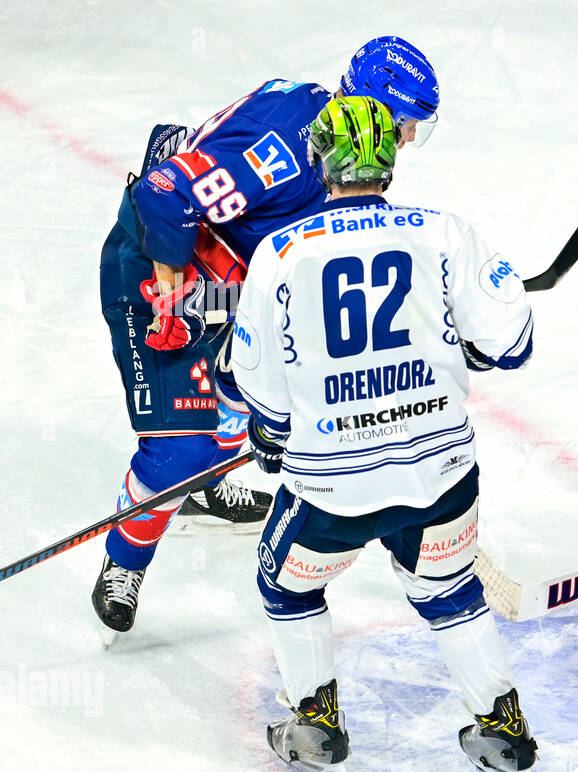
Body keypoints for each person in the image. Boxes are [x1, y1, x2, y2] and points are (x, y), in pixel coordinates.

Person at [231, 96, 539, 772]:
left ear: (322, 161)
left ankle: (315, 718)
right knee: (448, 586)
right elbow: (512, 343)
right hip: (442, 473)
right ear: (389, 159)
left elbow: (264, 391)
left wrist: (273, 435)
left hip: (337, 488)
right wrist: (468, 345)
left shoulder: (279, 253)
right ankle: (503, 725)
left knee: (284, 582)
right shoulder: (444, 233)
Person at [93, 36, 441, 637]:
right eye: (407, 124)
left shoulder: (338, 144)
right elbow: (163, 195)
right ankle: (125, 561)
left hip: (231, 292)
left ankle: (205, 485)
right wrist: (173, 292)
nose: (409, 140)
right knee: (181, 453)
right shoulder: (282, 148)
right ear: (377, 109)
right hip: (155, 278)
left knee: (248, 397)